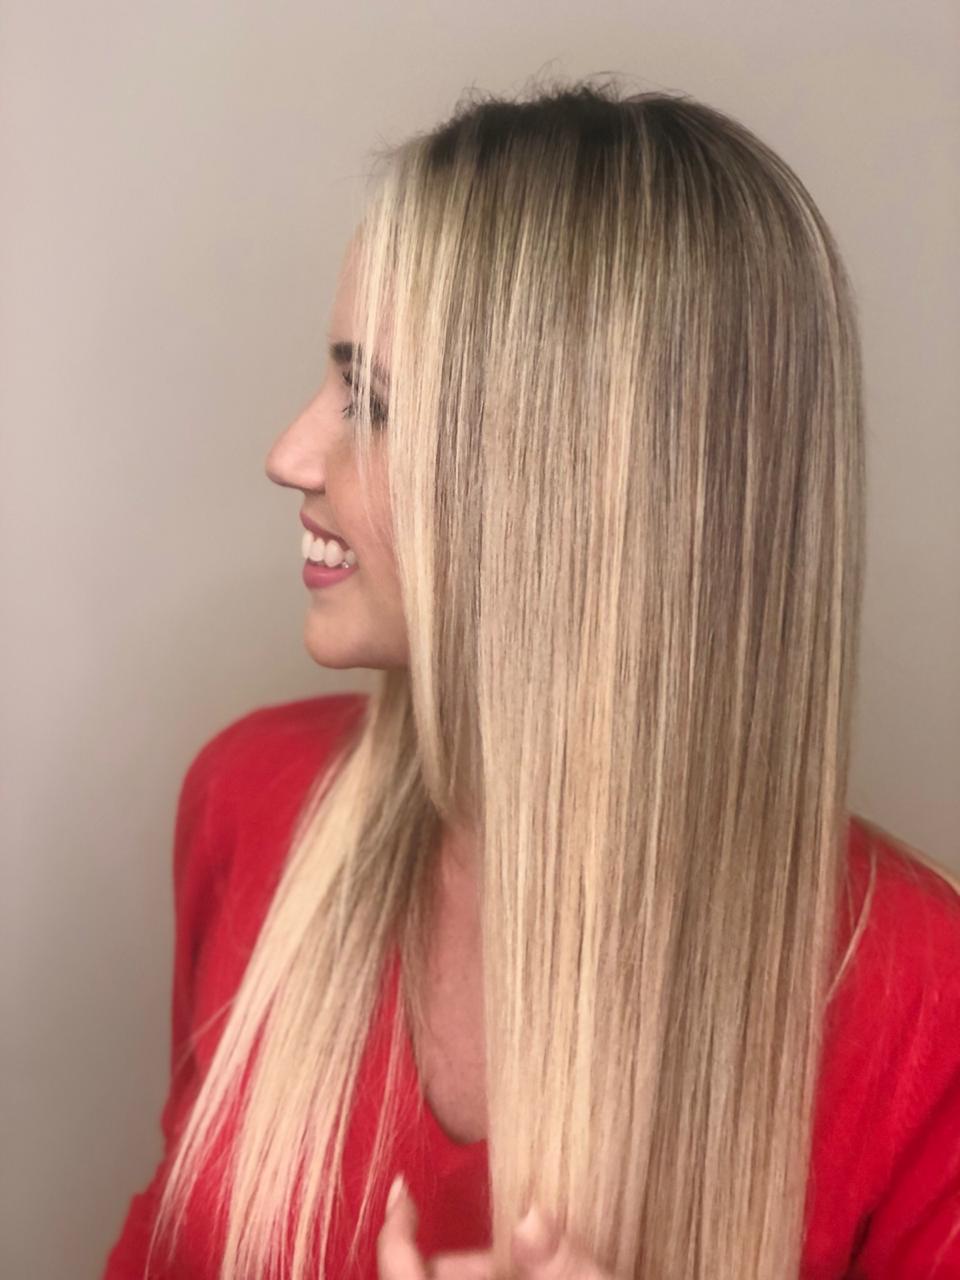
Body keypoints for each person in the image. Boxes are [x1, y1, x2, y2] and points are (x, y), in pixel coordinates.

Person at [102, 77, 960, 1280]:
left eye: (370, 402)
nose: (290, 453)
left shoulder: (923, 1009)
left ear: (583, 482)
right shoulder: (251, 804)